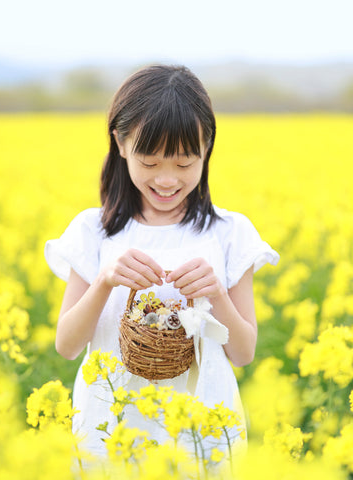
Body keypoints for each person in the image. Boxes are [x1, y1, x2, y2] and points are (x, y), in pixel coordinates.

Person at [44, 64, 279, 458]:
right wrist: (105, 280)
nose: (167, 180)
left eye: (185, 163)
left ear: (208, 149)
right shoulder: (94, 230)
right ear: (120, 144)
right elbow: (67, 346)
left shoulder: (228, 233)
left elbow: (243, 353)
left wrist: (217, 293)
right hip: (112, 428)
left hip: (201, 432)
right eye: (150, 163)